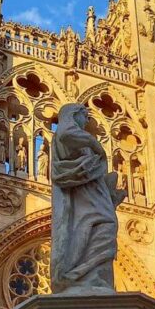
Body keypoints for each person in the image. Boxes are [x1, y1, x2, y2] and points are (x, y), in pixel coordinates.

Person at [50, 103, 126, 293]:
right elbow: (67, 133)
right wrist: (93, 144)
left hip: (94, 202)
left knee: (102, 231)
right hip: (86, 207)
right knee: (102, 227)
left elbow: (90, 177)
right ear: (75, 115)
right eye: (85, 116)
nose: (87, 121)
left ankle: (93, 277)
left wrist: (112, 196)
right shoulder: (67, 134)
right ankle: (80, 276)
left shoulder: (79, 143)